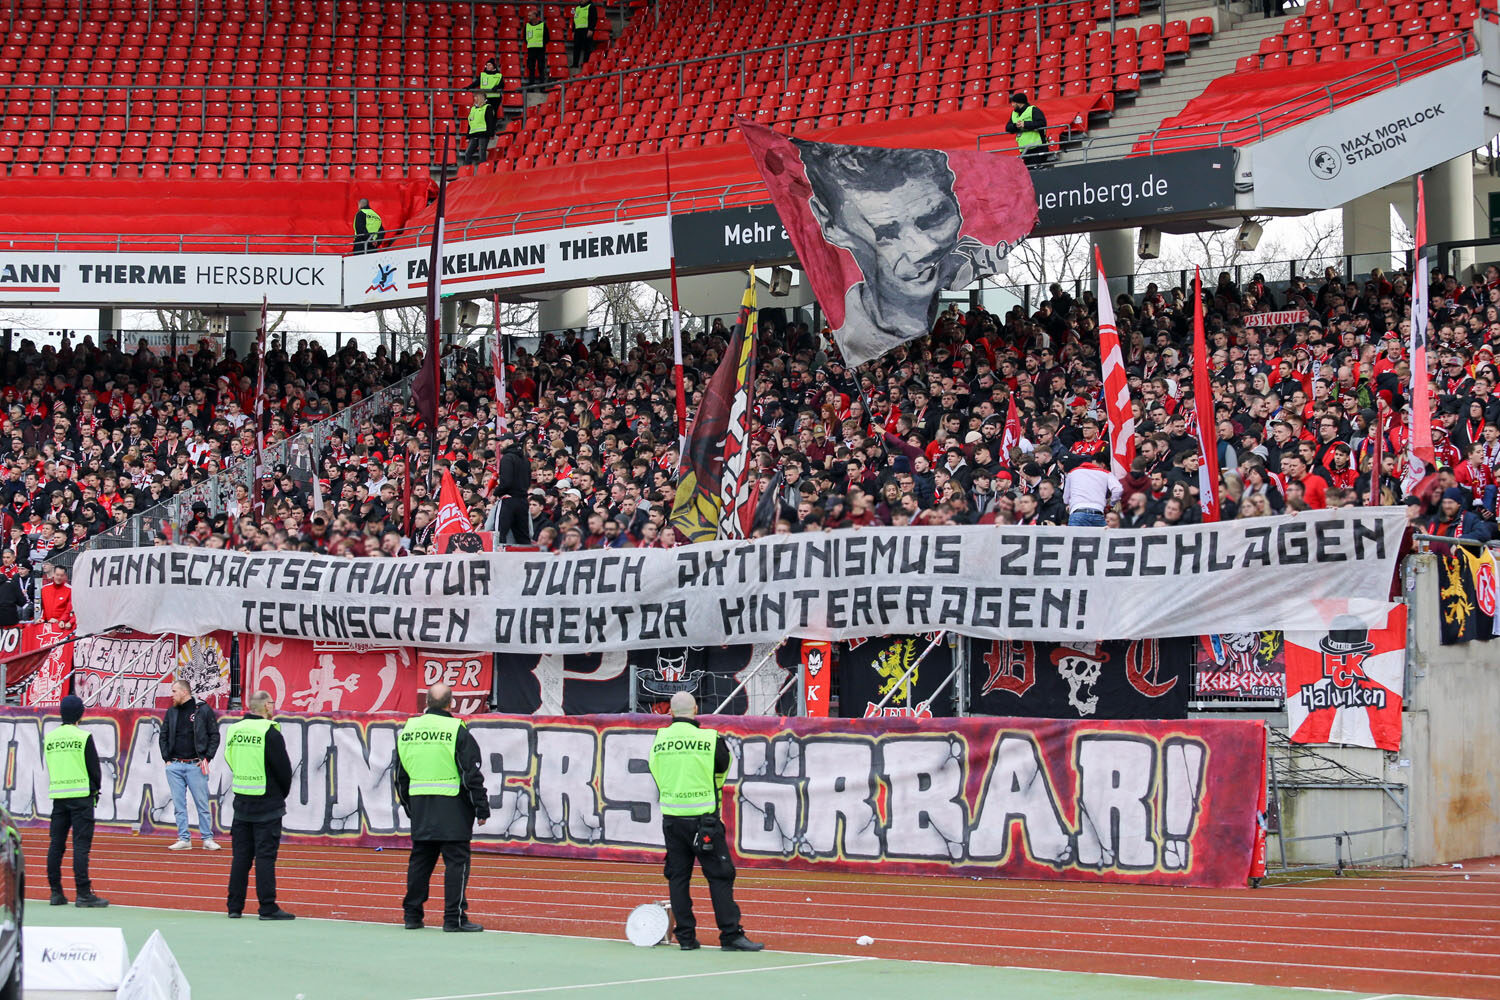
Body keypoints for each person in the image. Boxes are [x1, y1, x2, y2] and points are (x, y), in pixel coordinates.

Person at [796, 140, 963, 365]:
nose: (924, 248)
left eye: (935, 217)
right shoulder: (847, 329)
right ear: (830, 223)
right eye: (886, 233)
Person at [647, 692, 762, 952]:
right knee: (720, 876)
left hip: (673, 818)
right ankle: (730, 935)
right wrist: (712, 790)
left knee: (678, 878)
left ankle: (686, 938)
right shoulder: (710, 739)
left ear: (671, 712)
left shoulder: (660, 739)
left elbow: (654, 769)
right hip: (704, 820)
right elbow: (724, 766)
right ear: (695, 709)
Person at [395, 683, 490, 932]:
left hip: (421, 805)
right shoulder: (455, 729)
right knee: (457, 862)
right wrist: (481, 807)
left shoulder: (409, 729)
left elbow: (399, 774)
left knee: (420, 861)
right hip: (453, 806)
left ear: (425, 702)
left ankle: (412, 916)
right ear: (451, 704)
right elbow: (470, 772)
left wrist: (409, 805)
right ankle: (453, 919)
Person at [224, 690, 295, 921]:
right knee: (265, 857)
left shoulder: (233, 730)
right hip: (267, 803)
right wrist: (280, 795)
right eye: (271, 703)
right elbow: (284, 770)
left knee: (241, 857)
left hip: (242, 800)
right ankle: (267, 907)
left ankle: (234, 906)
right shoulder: (269, 731)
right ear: (265, 706)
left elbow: (229, 759)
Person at [45, 695, 109, 908]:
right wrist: (95, 789)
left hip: (59, 796)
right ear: (80, 714)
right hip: (81, 796)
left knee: (56, 844)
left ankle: (55, 892)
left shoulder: (51, 738)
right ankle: (83, 893)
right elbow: (94, 768)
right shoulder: (83, 736)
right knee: (80, 847)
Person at [159, 679, 221, 852]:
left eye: (174, 691)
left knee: (202, 803)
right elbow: (163, 735)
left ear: (184, 692)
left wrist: (207, 757)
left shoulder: (203, 710)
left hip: (195, 764)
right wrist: (167, 759)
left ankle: (207, 838)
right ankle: (183, 838)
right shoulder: (171, 712)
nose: (172, 695)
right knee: (179, 805)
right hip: (175, 765)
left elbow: (214, 735)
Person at [491, 434, 532, 543]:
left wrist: (495, 493)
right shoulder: (525, 459)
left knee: (499, 535)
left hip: (508, 500)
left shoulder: (507, 458)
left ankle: (497, 558)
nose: (500, 444)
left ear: (509, 441)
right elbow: (528, 481)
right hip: (523, 501)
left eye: (502, 441)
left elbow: (506, 482)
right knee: (523, 536)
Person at [1061, 455, 1122, 526]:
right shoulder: (1106, 473)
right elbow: (1118, 489)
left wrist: (1071, 504)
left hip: (1077, 513)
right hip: (1098, 512)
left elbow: (1065, 498)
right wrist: (1111, 504)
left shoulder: (1072, 473)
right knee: (1098, 537)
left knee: (1076, 537)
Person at [1006, 92, 1048, 168]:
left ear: (1018, 103)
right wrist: (1016, 126)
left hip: (1038, 148)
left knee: (1037, 173)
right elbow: (1008, 128)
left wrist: (1025, 124)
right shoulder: (1014, 113)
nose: (1012, 105)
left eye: (1013, 103)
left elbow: (1042, 123)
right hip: (1025, 150)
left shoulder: (1033, 110)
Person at [470, 57, 504, 132]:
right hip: (485, 98)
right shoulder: (483, 75)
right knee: (485, 113)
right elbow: (476, 83)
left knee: (493, 113)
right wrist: (469, 87)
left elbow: (502, 85)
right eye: (487, 65)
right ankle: (486, 128)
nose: (488, 66)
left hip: (495, 98)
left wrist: (496, 87)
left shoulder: (499, 75)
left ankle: (491, 129)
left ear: (493, 66)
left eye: (489, 65)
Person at [463, 97, 491, 166]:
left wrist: (490, 133)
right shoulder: (473, 109)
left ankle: (483, 170)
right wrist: (468, 136)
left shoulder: (487, 107)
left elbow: (490, 121)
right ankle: (467, 169)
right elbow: (470, 123)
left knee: (482, 152)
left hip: (483, 134)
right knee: (468, 152)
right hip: (474, 134)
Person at [523, 8, 548, 86]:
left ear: (535, 16)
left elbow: (547, 37)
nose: (528, 16)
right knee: (531, 68)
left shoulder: (543, 25)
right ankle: (531, 85)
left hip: (540, 49)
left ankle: (542, 86)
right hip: (531, 50)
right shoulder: (527, 25)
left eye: (530, 15)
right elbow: (524, 37)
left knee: (541, 68)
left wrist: (541, 44)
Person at [570, 0, 596, 68]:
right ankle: (575, 64)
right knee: (576, 48)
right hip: (578, 30)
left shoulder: (591, 7)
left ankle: (585, 64)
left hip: (586, 30)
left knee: (587, 48)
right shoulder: (577, 8)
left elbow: (593, 19)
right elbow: (575, 20)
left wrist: (591, 29)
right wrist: (573, 30)